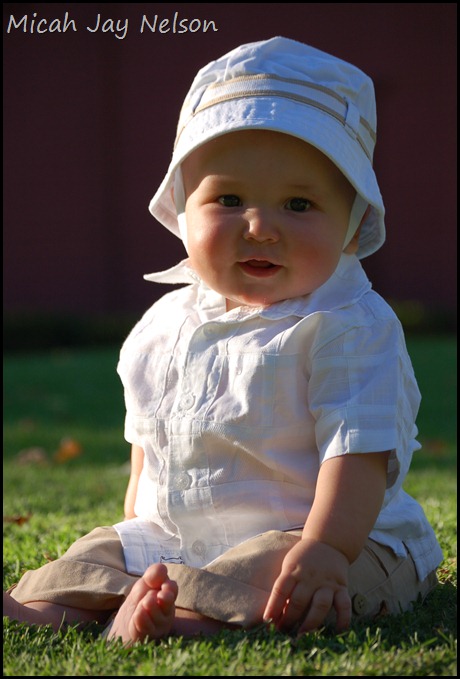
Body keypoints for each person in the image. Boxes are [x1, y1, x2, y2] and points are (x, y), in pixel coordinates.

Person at [4, 36, 443, 645]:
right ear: (184, 210)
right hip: (183, 537)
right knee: (99, 552)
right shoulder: (164, 323)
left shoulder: (348, 324)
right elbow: (149, 446)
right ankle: (61, 603)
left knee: (273, 570)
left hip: (332, 535)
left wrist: (326, 547)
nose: (259, 227)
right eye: (229, 200)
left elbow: (358, 456)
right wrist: (138, 531)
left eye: (298, 204)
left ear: (352, 226)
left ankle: (184, 617)